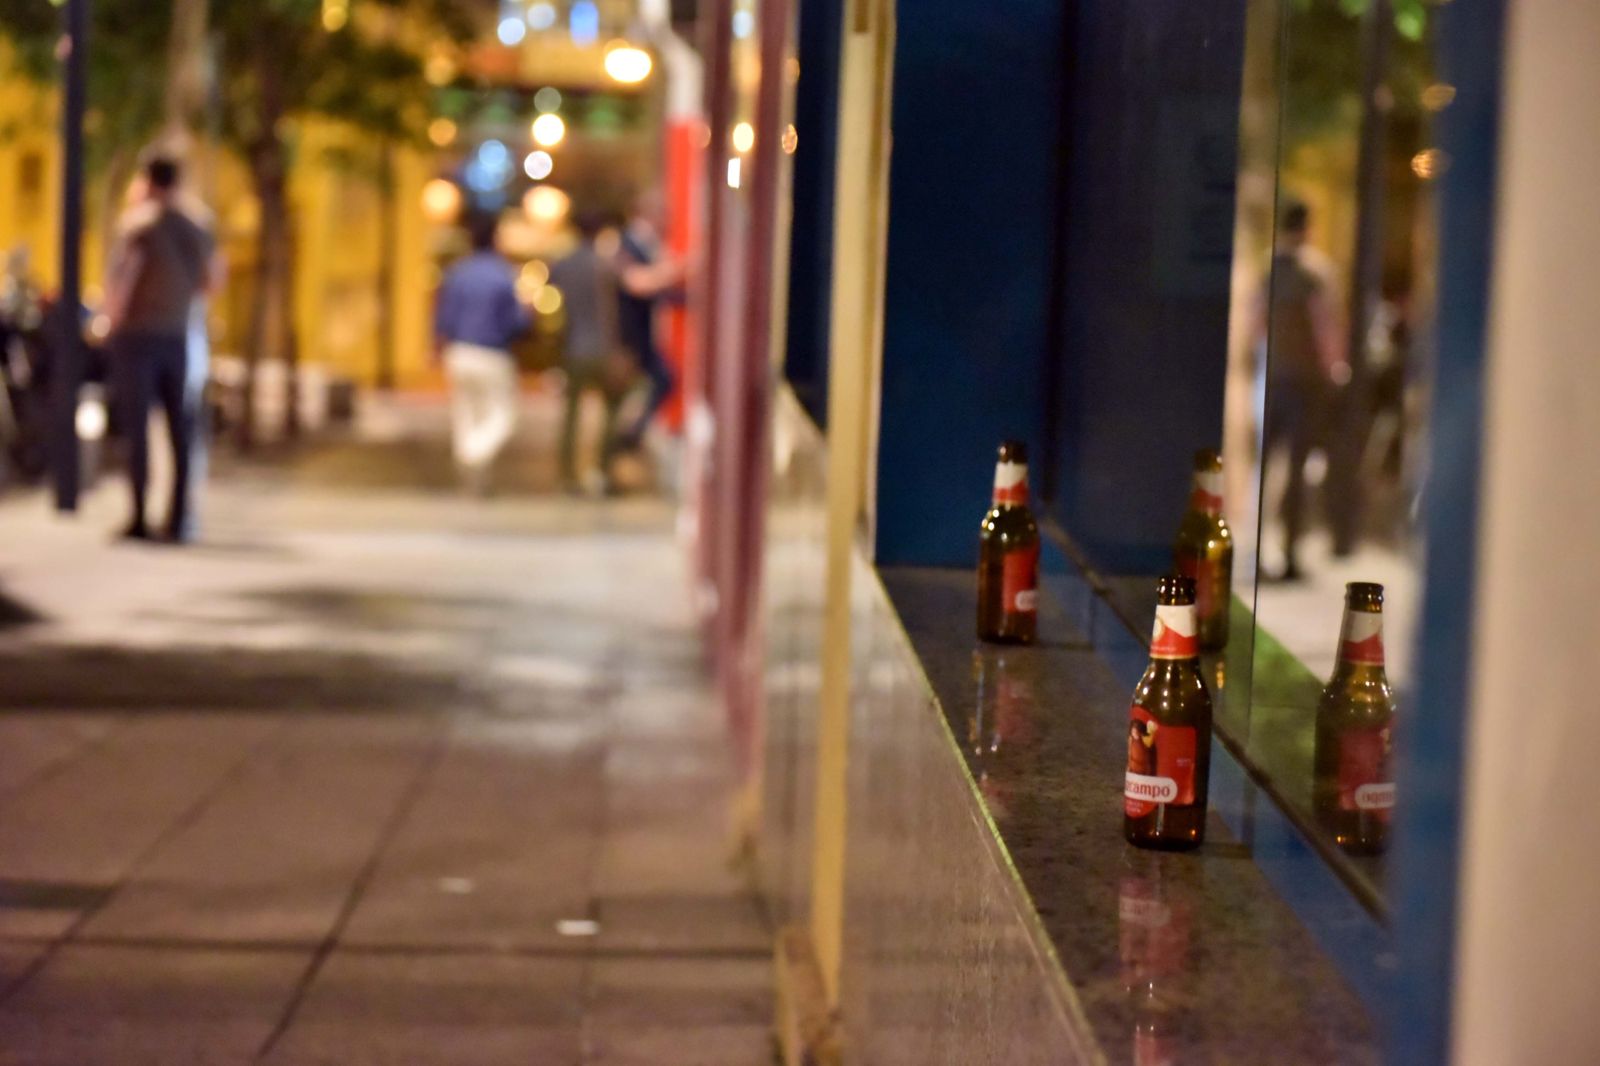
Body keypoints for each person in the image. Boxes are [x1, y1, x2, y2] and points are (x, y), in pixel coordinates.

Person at [103, 156, 214, 541]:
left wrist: (110, 319)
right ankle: (179, 517)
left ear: (148, 181)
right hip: (177, 335)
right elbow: (210, 281)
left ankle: (138, 517)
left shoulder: (140, 223)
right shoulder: (197, 225)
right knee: (179, 429)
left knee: (137, 430)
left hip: (137, 337)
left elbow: (128, 275)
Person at [1258, 200, 1346, 581]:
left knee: (1266, 467)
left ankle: (1256, 551)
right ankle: (1290, 553)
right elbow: (1324, 323)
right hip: (1306, 381)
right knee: (1297, 469)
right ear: (1308, 227)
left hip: (1275, 376)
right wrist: (1334, 367)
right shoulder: (1315, 271)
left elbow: (1256, 321)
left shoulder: (1270, 269)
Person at [433, 211, 530, 495]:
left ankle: (475, 476)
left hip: (459, 350)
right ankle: (473, 455)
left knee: (466, 413)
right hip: (492, 352)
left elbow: (444, 317)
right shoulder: (502, 274)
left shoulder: (457, 273)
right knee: (503, 417)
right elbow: (516, 322)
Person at [550, 212, 628, 495]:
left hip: (574, 346)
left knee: (571, 415)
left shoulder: (563, 264)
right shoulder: (605, 265)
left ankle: (567, 475)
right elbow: (615, 311)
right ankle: (601, 470)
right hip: (604, 346)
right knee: (611, 411)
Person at [613, 191, 684, 451]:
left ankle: (630, 433)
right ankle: (626, 436)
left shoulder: (647, 244)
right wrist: (676, 270)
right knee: (657, 379)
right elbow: (637, 282)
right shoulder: (628, 244)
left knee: (660, 379)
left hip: (640, 331)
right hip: (630, 332)